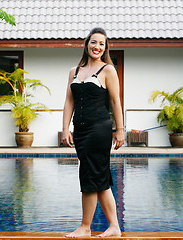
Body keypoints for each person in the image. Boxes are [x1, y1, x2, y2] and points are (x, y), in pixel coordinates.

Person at [62, 27, 125, 238]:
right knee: (100, 178)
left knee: (89, 176)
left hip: (99, 129)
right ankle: (114, 227)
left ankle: (85, 227)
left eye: (101, 44)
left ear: (105, 48)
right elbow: (69, 102)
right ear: (86, 44)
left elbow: (116, 102)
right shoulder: (75, 71)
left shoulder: (108, 70)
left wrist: (120, 130)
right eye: (93, 42)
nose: (97, 47)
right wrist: (65, 129)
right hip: (80, 131)